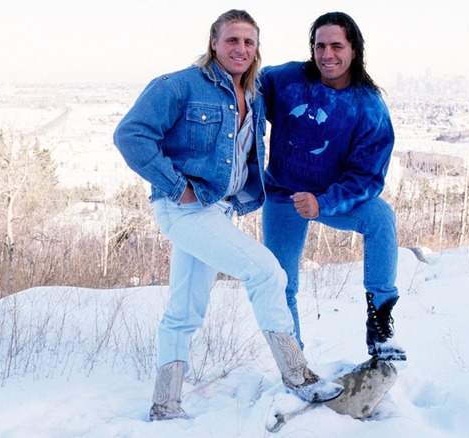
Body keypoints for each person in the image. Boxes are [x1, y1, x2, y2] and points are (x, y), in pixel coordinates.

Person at [113, 9, 343, 421]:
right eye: (232, 40)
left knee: (183, 312)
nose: (240, 48)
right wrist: (176, 186)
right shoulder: (179, 86)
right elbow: (131, 134)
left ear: (256, 50)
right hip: (185, 209)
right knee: (268, 273)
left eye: (249, 42)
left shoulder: (253, 94)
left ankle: (165, 405)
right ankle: (299, 376)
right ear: (214, 43)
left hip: (217, 210)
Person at [260, 11, 406, 361]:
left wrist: (323, 203)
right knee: (282, 286)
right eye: (319, 46)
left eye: (336, 46)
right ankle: (293, 362)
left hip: (331, 197)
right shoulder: (287, 80)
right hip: (283, 195)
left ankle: (380, 325)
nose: (327, 54)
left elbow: (368, 177)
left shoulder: (369, 108)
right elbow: (247, 90)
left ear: (354, 49)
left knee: (380, 217)